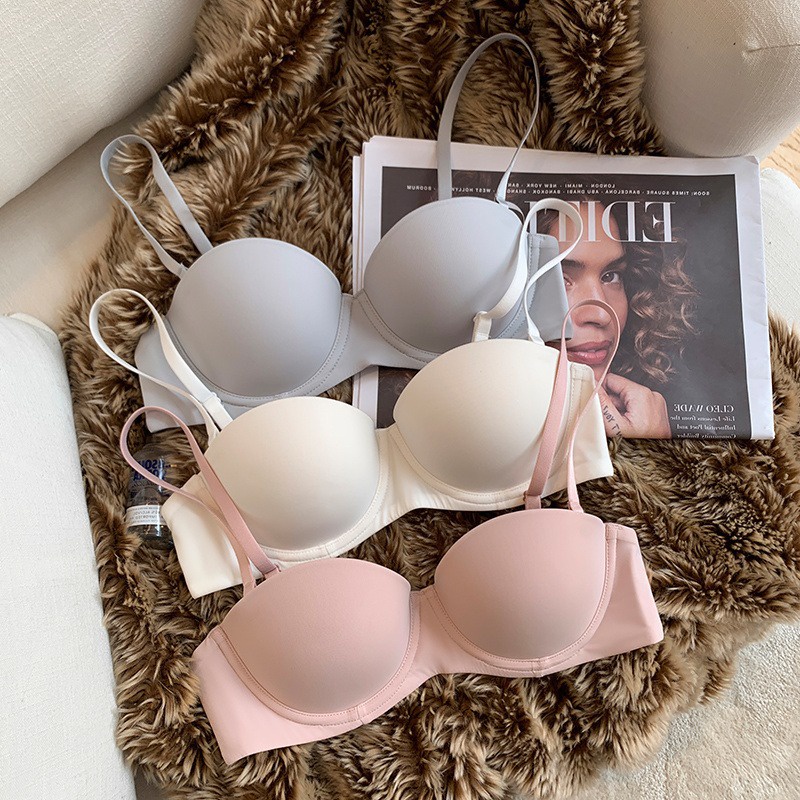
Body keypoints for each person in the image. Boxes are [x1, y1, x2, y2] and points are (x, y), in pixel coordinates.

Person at [539, 197, 696, 438]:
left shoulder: (653, 413)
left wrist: (649, 449)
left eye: (611, 276)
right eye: (561, 279)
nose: (602, 314)